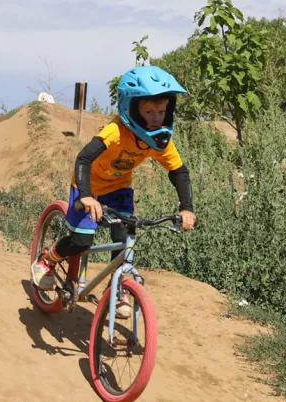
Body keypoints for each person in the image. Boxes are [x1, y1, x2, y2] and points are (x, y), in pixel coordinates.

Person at [31, 65, 197, 318]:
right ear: (132, 109)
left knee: (125, 239)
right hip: (87, 187)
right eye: (149, 111)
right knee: (81, 241)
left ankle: (119, 288)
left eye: (162, 111)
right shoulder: (116, 131)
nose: (156, 118)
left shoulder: (157, 141)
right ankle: (47, 260)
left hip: (118, 188)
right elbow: (84, 159)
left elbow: (179, 172)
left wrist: (187, 208)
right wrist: (86, 196)